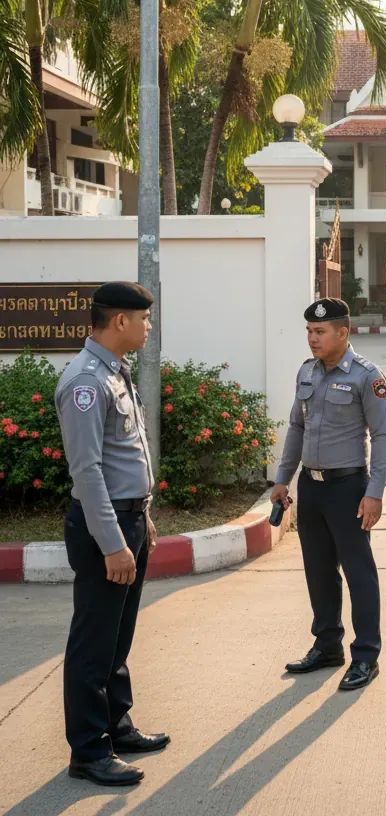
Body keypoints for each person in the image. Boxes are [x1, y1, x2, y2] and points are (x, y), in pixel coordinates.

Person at [55, 281, 165, 787]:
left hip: (130, 518)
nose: (149, 326)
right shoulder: (85, 382)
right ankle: (89, 750)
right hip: (106, 528)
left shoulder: (115, 373)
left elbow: (127, 459)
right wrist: (113, 544)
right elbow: (88, 472)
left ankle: (117, 726)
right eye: (143, 318)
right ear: (120, 321)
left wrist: (143, 518)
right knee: (93, 642)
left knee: (118, 636)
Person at [273, 298, 386, 692]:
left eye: (320, 332)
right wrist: (282, 479)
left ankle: (366, 656)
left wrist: (374, 491)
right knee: (318, 570)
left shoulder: (366, 376)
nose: (312, 338)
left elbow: (382, 435)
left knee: (359, 572)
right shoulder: (306, 372)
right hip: (312, 485)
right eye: (309, 331)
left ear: (343, 332)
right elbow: (296, 427)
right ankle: (327, 646)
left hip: (348, 488)